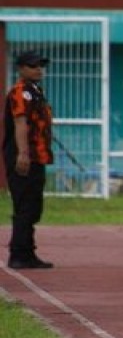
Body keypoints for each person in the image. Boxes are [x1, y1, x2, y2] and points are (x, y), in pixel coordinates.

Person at [4, 50, 54, 269]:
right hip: (24, 157)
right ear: (21, 68)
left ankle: (28, 252)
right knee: (24, 205)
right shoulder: (19, 92)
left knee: (34, 205)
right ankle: (17, 254)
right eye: (33, 66)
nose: (38, 69)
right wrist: (23, 153)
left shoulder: (35, 91)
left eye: (40, 65)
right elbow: (20, 123)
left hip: (39, 156)